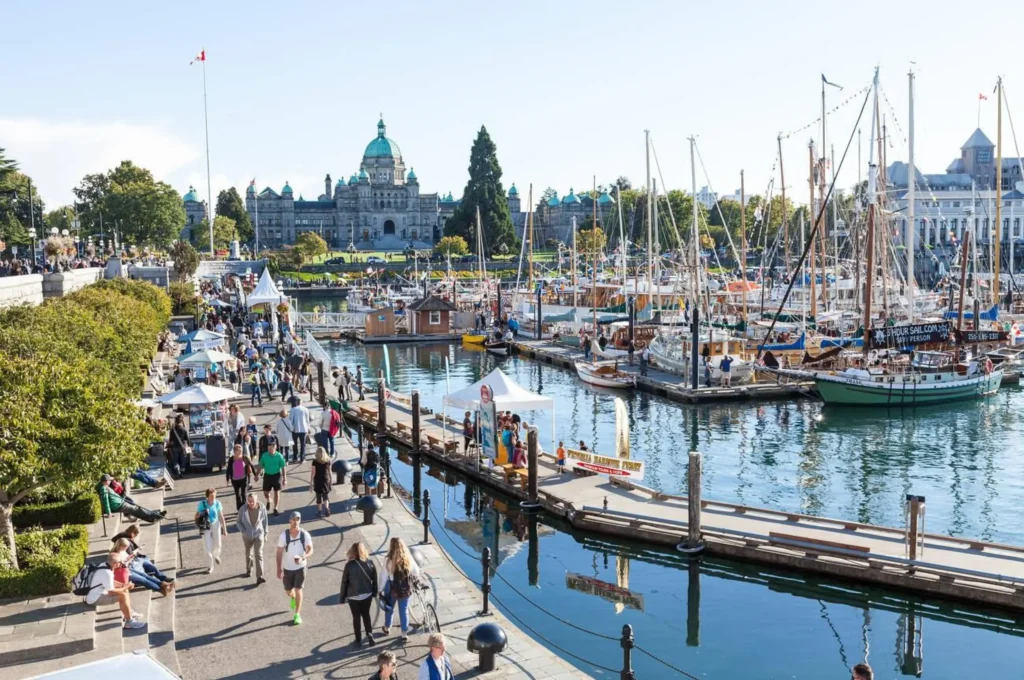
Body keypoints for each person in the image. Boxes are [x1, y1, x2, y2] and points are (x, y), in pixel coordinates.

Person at [84, 553, 146, 630]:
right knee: (122, 595)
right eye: (120, 562)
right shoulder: (107, 573)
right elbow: (111, 591)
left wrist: (124, 585)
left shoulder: (104, 565)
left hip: (97, 594)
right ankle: (129, 622)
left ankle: (129, 612)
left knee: (124, 590)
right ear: (114, 563)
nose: (121, 563)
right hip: (95, 599)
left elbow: (111, 582)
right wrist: (126, 586)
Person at [110, 528, 175, 596]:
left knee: (145, 575)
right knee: (143, 580)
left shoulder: (122, 551)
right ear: (120, 546)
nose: (126, 549)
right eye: (125, 547)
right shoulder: (114, 555)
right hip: (122, 573)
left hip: (127, 569)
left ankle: (163, 584)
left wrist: (130, 558)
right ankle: (161, 589)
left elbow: (126, 560)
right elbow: (116, 566)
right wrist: (126, 561)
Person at [277, 511, 313, 626]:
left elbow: (310, 549)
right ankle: (292, 597)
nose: (295, 521)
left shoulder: (304, 534)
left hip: (301, 567)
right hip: (288, 568)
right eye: (293, 519)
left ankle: (297, 614)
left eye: (297, 519)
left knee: (299, 589)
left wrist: (304, 557)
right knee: (288, 591)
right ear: (289, 521)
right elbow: (279, 552)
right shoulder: (284, 535)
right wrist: (279, 568)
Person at [339, 541, 378, 646]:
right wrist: (374, 592)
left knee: (356, 617)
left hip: (353, 596)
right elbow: (374, 579)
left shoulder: (349, 565)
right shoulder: (370, 563)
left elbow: (344, 582)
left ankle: (358, 638)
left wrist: (342, 598)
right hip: (367, 594)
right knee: (366, 615)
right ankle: (369, 634)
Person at [381, 537, 420, 642]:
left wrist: (380, 589)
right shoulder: (408, 558)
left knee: (389, 607)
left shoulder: (388, 559)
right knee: (404, 610)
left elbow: (384, 576)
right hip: (404, 586)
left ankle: (387, 628)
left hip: (391, 586)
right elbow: (416, 571)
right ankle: (404, 633)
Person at [98, 476, 165, 523]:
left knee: (136, 510)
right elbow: (105, 501)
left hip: (120, 503)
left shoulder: (104, 487)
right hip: (118, 505)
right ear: (106, 481)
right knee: (137, 509)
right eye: (109, 480)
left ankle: (153, 516)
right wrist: (109, 513)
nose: (110, 481)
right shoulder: (104, 489)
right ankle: (154, 516)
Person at [237, 491, 269, 584]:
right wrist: (243, 530)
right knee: (248, 552)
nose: (251, 503)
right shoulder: (243, 509)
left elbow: (265, 521)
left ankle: (260, 576)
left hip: (258, 534)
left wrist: (265, 533)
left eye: (253, 501)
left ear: (256, 500)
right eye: (249, 501)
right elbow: (238, 521)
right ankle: (249, 569)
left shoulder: (262, 507)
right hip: (247, 536)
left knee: (259, 554)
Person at [196, 488, 227, 574]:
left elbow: (221, 516)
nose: (213, 497)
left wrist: (224, 529)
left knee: (218, 544)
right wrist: (202, 513)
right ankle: (210, 566)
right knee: (207, 546)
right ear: (207, 496)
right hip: (205, 525)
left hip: (215, 524)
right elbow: (197, 516)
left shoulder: (217, 503)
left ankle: (216, 555)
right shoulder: (202, 504)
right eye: (211, 496)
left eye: (214, 495)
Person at [259, 440, 288, 515]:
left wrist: (284, 479)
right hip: (267, 476)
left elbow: (283, 467)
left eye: (272, 449)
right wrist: (256, 475)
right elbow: (261, 465)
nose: (270, 450)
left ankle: (275, 508)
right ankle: (269, 499)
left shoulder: (279, 456)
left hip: (276, 476)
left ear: (275, 448)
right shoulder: (264, 455)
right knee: (265, 493)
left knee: (277, 492)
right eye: (269, 449)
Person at [226, 444, 258, 510]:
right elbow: (228, 469)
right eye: (238, 450)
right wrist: (227, 479)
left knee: (244, 495)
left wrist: (255, 475)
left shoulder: (245, 458)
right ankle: (239, 509)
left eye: (241, 450)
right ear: (235, 451)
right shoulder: (231, 459)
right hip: (235, 480)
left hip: (243, 479)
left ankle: (244, 509)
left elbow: (251, 466)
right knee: (238, 496)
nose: (240, 451)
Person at [310, 446, 333, 517]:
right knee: (325, 496)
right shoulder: (327, 460)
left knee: (318, 497)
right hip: (325, 479)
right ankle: (327, 509)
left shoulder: (315, 461)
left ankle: (319, 512)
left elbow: (313, 472)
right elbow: (329, 471)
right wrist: (331, 480)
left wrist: (311, 482)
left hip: (318, 480)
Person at [167, 414, 190, 478]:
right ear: (181, 421)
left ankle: (177, 471)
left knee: (175, 460)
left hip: (174, 447)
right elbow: (187, 439)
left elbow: (170, 439)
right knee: (182, 460)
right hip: (182, 447)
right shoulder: (184, 429)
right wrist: (189, 446)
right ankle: (182, 472)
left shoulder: (173, 429)